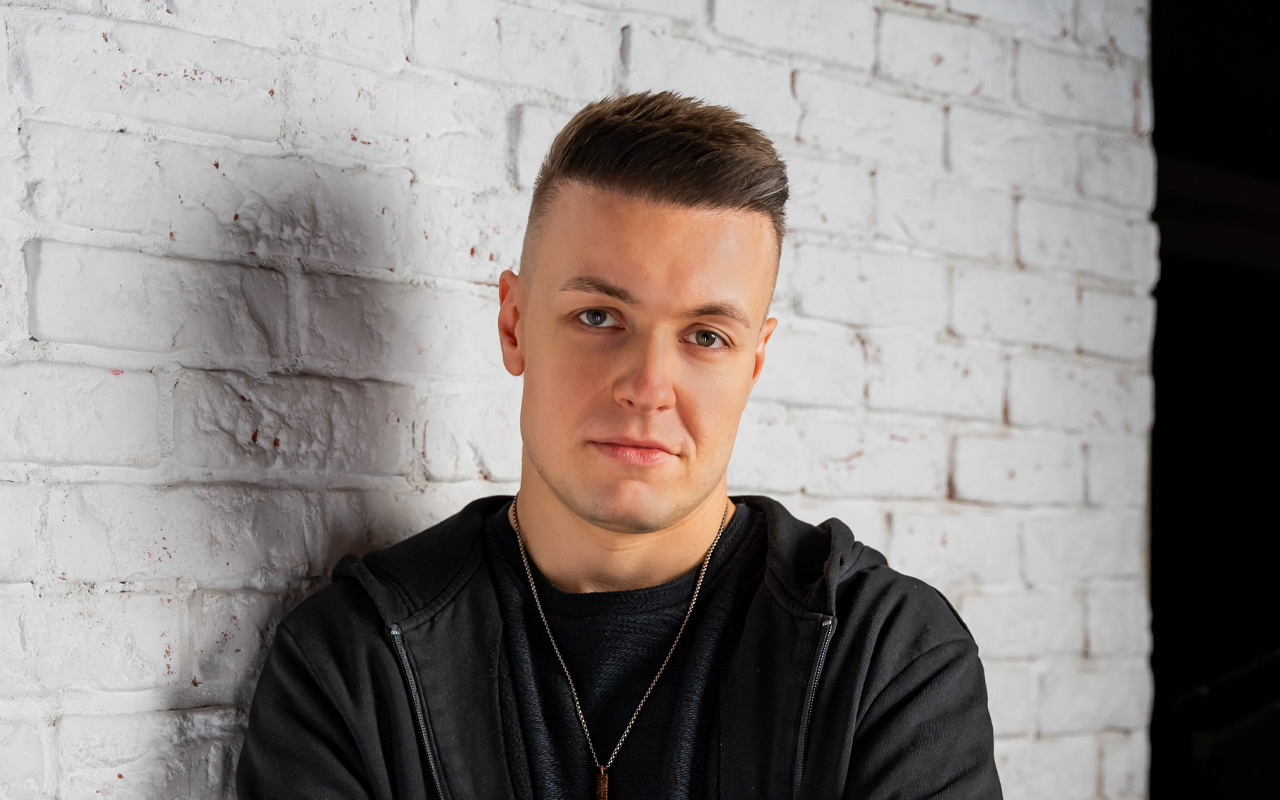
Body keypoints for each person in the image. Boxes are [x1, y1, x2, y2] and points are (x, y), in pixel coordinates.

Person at [237, 91, 1002, 800]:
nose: (648, 386)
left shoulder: (885, 659)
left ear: (754, 362)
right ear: (514, 324)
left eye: (706, 336)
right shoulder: (355, 663)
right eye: (600, 317)